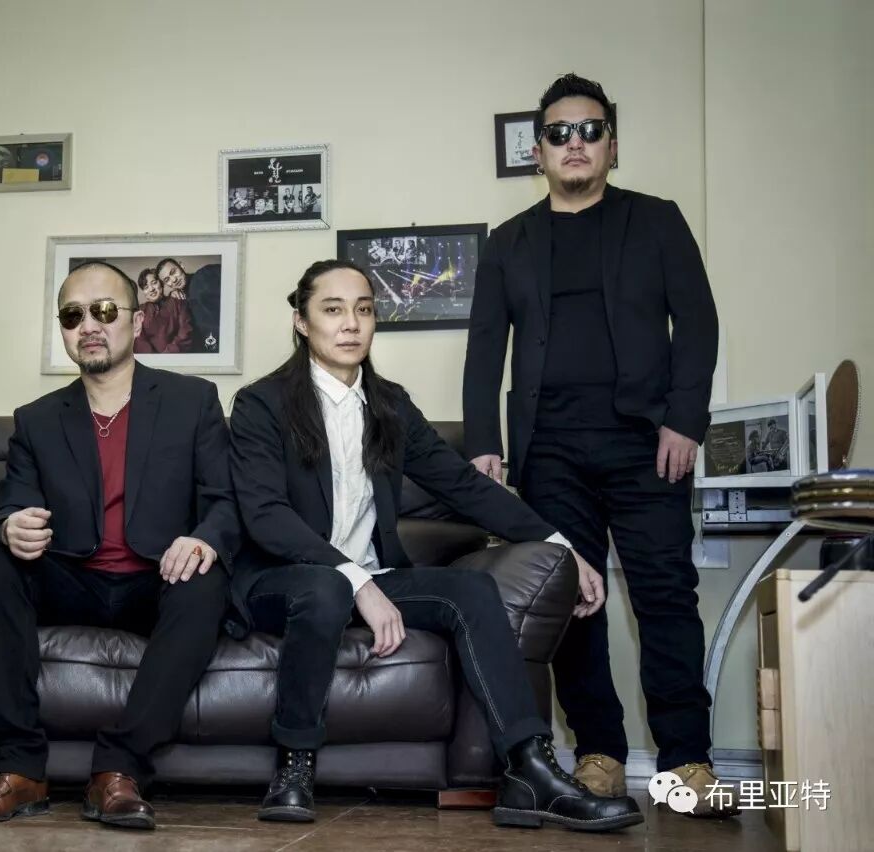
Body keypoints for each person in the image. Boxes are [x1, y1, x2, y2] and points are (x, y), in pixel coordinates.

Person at [229, 259, 641, 833]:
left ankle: (529, 769)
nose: (351, 324)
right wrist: (356, 580)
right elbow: (266, 517)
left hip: (372, 578)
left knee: (471, 591)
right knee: (325, 589)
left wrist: (558, 543)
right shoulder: (261, 404)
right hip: (283, 580)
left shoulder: (389, 404)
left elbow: (462, 484)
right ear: (301, 321)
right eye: (332, 309)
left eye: (364, 309)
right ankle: (293, 767)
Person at [462, 73, 728, 817]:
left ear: (612, 144)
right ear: (538, 152)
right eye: (558, 133)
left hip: (649, 443)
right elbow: (485, 350)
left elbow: (698, 323)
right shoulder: (508, 242)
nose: (574, 143)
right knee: (573, 601)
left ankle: (687, 760)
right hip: (549, 447)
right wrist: (484, 443)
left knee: (665, 594)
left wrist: (685, 419)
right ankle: (599, 754)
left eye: (589, 130)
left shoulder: (657, 221)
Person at [0, 262, 240, 831]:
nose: (89, 325)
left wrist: (203, 538)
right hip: (72, 574)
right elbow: (10, 504)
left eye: (105, 310)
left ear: (138, 321)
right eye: (73, 315)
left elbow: (225, 502)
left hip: (157, 576)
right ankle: (18, 770)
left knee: (206, 579)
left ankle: (119, 769)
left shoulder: (192, 400)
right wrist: (9, 525)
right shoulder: (37, 420)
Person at [158, 258, 220, 353]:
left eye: (173, 272)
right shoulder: (178, 301)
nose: (174, 280)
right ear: (166, 284)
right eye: (167, 280)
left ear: (181, 266)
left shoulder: (205, 274)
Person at [132, 267, 191, 354]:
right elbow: (139, 340)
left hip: (178, 357)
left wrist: (167, 355)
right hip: (150, 360)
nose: (151, 289)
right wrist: (154, 359)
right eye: (146, 287)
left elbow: (185, 333)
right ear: (144, 292)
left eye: (154, 283)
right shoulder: (140, 311)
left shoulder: (177, 302)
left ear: (161, 283)